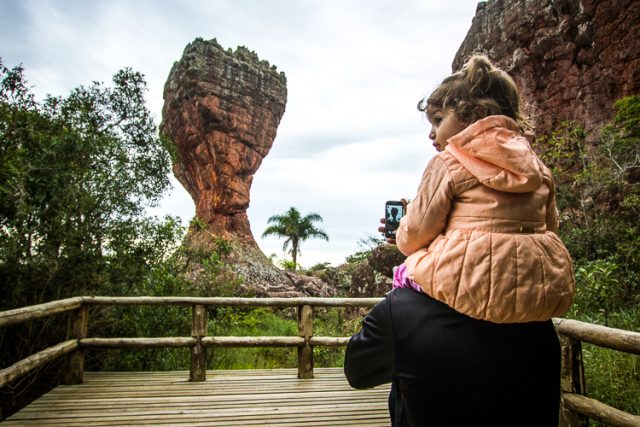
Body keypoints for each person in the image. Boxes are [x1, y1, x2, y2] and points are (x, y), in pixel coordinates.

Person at [344, 55, 575, 426]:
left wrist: (408, 228)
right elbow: (548, 226)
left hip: (461, 275)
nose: (431, 133)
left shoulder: (448, 163)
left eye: (438, 120)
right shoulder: (537, 168)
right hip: (528, 284)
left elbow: (415, 235)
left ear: (473, 115)